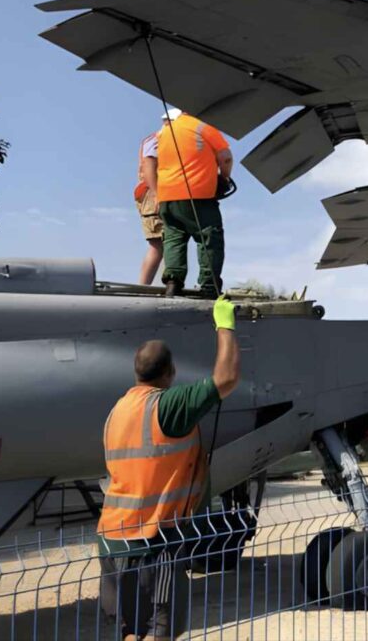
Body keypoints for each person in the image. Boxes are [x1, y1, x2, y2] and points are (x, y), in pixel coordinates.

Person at [98, 296, 239, 641]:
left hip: (111, 539)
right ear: (170, 373)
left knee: (128, 631)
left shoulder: (117, 411)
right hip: (153, 542)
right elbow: (226, 379)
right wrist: (226, 325)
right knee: (160, 631)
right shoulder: (167, 405)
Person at [155, 110, 233, 298]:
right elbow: (226, 157)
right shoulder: (204, 126)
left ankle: (173, 282)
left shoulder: (164, 131)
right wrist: (224, 177)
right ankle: (209, 286)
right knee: (209, 237)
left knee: (174, 238)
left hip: (167, 196)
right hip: (196, 194)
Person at [136, 125, 163, 285]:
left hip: (155, 191)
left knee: (168, 244)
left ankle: (169, 286)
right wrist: (157, 193)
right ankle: (143, 287)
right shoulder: (158, 138)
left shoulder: (157, 137)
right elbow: (149, 164)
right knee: (158, 244)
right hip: (153, 192)